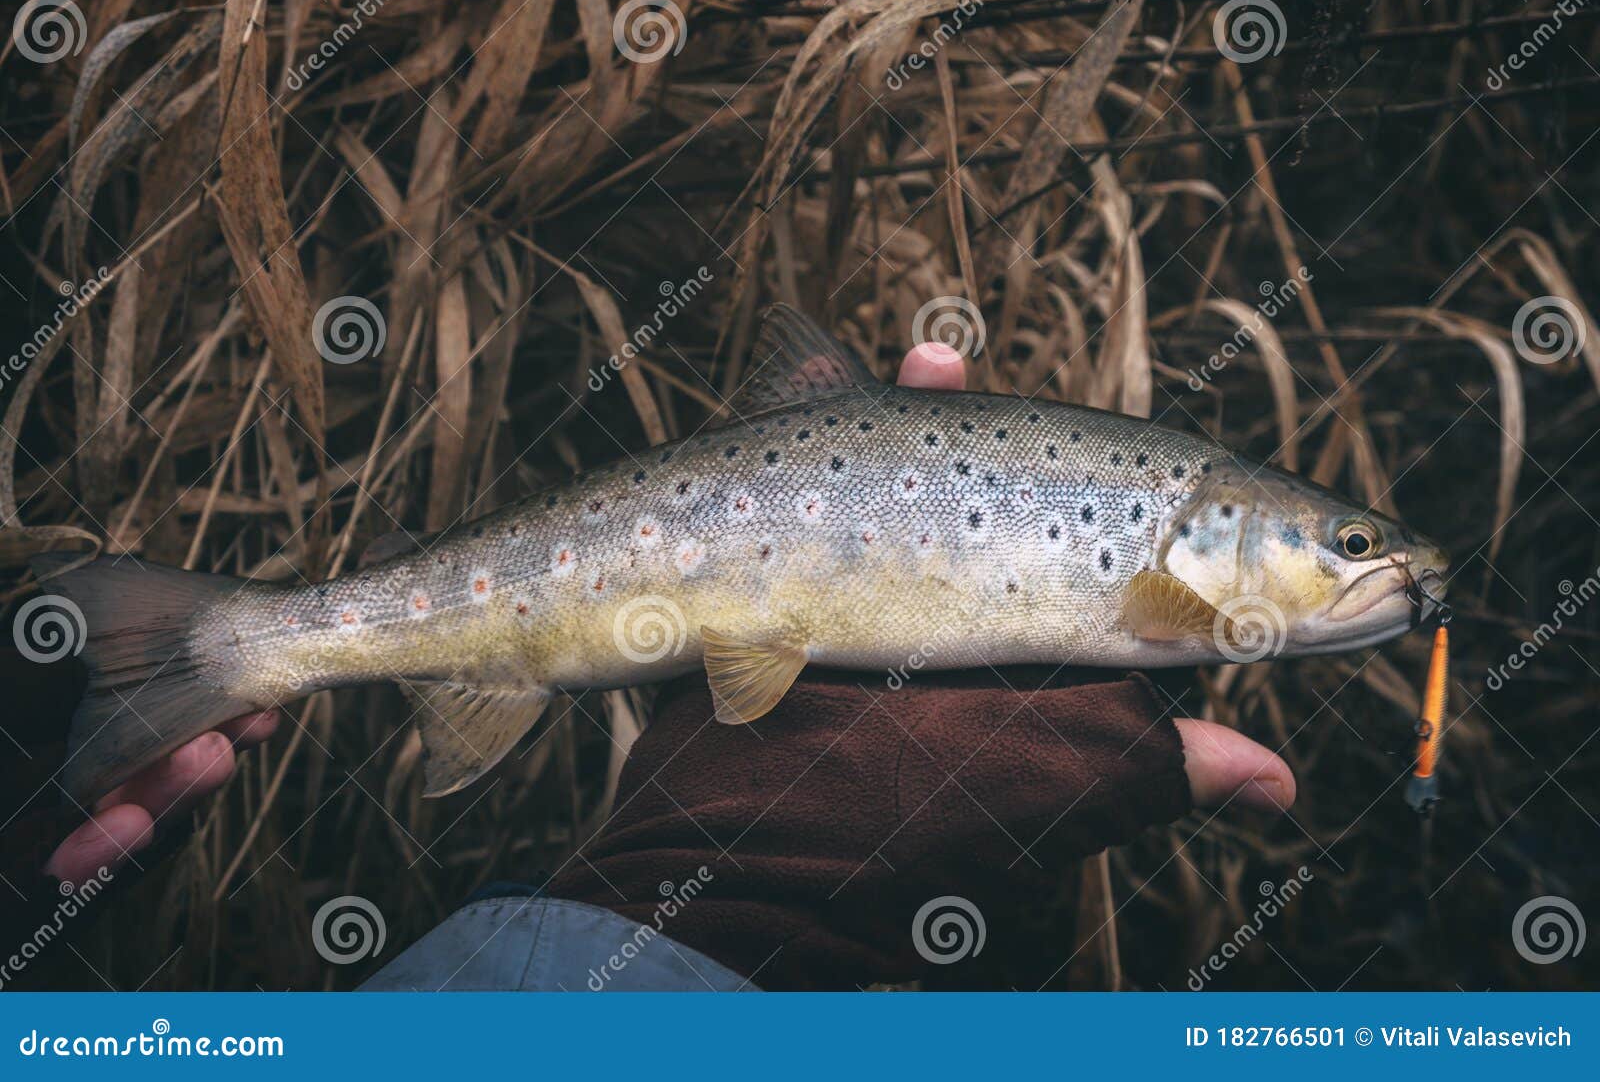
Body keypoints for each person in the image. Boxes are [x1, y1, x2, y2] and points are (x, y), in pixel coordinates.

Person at [40, 345, 1294, 989]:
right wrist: (708, 922)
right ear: (1229, 529)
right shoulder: (1176, 584)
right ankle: (240, 637)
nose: (1371, 572)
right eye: (1347, 547)